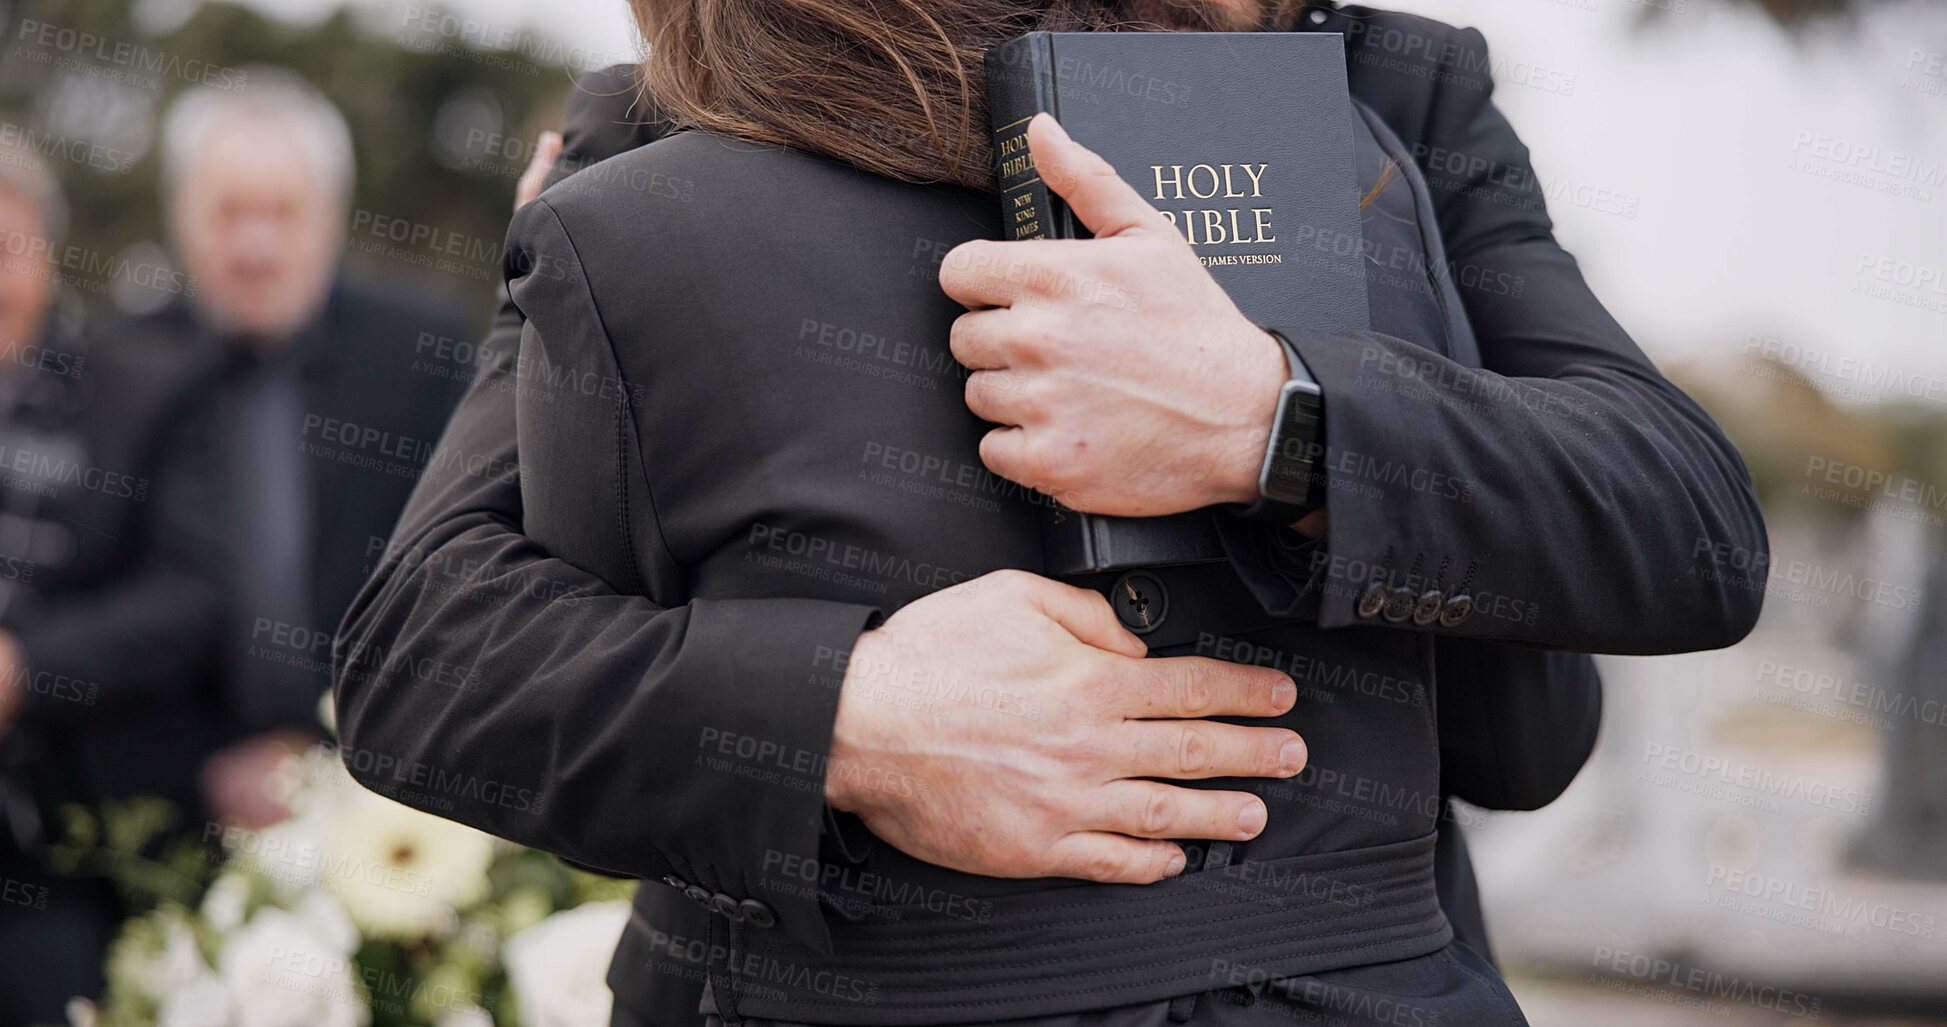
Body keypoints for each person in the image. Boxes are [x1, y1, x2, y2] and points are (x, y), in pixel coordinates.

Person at [337, 3, 1761, 1025]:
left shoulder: (1402, 98)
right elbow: (422, 654)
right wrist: (842, 712)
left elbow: (1686, 519)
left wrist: (1275, 415)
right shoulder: (679, 125)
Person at [117, 69, 469, 827]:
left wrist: (321, 750)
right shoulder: (117, 362)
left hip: (381, 802)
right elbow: (103, 598)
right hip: (153, 814)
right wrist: (203, 772)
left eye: (283, 212)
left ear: (331, 218)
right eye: (229, 212)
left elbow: (458, 573)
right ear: (180, 214)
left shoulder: (422, 353)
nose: (256, 245)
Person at [0, 140, 229, 1026]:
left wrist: (26, 669)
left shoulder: (141, 394)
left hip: (59, 851)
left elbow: (189, 600)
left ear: (47, 251)